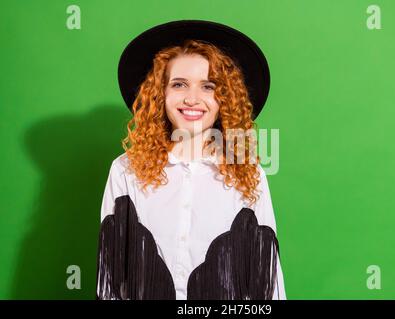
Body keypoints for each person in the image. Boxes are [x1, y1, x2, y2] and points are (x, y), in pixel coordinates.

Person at [96, 20, 286, 300]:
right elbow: (110, 276)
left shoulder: (249, 174)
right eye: (179, 84)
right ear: (160, 94)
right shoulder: (126, 170)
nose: (192, 99)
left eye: (209, 86)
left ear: (225, 99)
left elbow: (267, 282)